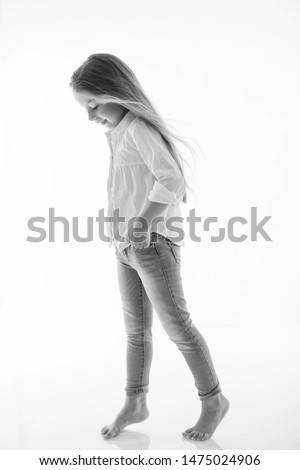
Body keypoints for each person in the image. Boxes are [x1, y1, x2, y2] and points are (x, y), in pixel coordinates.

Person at [70, 53, 230, 441]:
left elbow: (170, 179)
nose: (90, 115)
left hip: (153, 242)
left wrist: (141, 223)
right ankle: (136, 401)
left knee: (177, 325)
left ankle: (213, 400)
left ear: (116, 93)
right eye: (84, 107)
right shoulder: (119, 132)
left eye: (93, 103)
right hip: (126, 246)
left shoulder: (139, 128)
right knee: (136, 331)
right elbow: (128, 186)